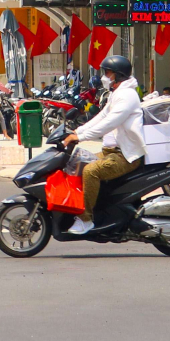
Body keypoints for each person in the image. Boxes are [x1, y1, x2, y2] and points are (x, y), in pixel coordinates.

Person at [58, 54, 144, 235]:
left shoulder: (127, 96)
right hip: (111, 151)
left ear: (118, 76)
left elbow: (110, 123)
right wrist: (78, 132)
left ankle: (86, 219)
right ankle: (96, 207)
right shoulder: (117, 94)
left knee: (91, 171)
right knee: (77, 164)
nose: (105, 77)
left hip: (126, 155)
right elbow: (102, 116)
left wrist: (81, 137)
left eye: (108, 73)